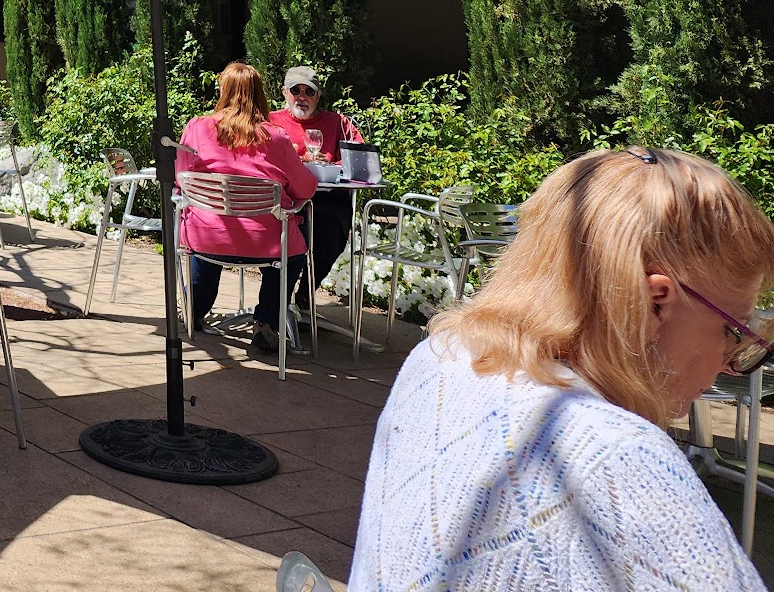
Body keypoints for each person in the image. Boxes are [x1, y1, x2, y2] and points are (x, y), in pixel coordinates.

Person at [351, 147, 774, 591]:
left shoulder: (441, 355)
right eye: (733, 331)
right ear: (655, 303)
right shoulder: (620, 459)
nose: (731, 364)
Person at [177, 61, 318, 354]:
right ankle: (267, 322)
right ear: (261, 94)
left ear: (223, 91)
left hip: (206, 237)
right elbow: (305, 189)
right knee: (292, 254)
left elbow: (181, 178)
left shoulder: (197, 127)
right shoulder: (275, 137)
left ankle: (194, 309)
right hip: (265, 242)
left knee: (208, 234)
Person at [266, 66, 363, 314]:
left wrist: (331, 166)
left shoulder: (337, 123)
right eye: (295, 90)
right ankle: (276, 305)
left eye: (308, 91)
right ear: (284, 92)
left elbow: (358, 159)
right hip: (284, 201)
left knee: (332, 235)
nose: (302, 96)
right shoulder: (269, 120)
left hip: (326, 201)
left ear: (317, 96)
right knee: (285, 235)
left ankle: (306, 293)